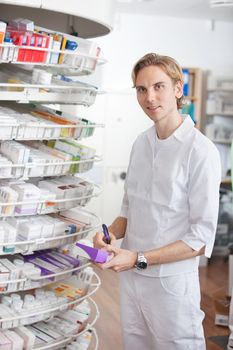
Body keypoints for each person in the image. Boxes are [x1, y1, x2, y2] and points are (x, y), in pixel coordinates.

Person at [93, 53, 221, 350]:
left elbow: (201, 239)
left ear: (178, 89)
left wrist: (138, 257)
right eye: (141, 89)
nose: (149, 97)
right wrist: (110, 234)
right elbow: (129, 208)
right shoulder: (141, 143)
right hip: (131, 279)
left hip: (170, 285)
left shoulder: (200, 152)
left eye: (158, 86)